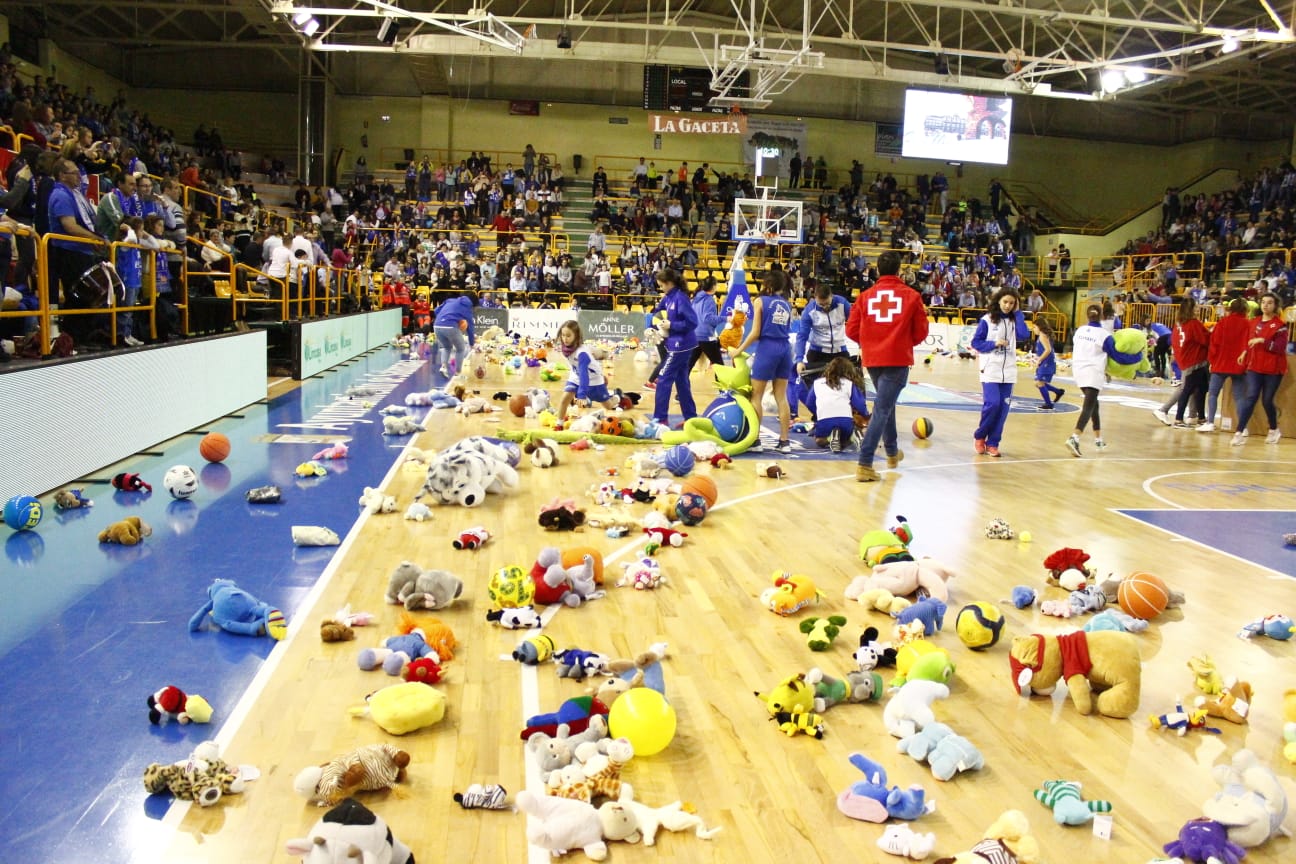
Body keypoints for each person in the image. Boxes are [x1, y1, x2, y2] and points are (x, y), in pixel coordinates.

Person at [844, 250, 929, 482]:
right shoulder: (911, 296)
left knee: (885, 403)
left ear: (877, 270)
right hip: (898, 358)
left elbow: (851, 330)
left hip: (873, 359)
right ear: (899, 269)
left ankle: (891, 453)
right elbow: (922, 331)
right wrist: (901, 342)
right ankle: (864, 463)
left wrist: (870, 342)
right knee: (882, 408)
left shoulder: (865, 296)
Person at [1065, 304, 1144, 457]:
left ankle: (1098, 439)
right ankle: (1074, 437)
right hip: (1093, 372)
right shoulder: (1104, 334)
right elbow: (1118, 356)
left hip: (1078, 371)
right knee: (1088, 406)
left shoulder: (1079, 331)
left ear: (1087, 315)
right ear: (1101, 316)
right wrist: (1138, 357)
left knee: (1094, 405)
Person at [734, 269, 796, 453]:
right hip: (785, 349)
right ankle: (785, 442)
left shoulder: (760, 301)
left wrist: (738, 350)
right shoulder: (786, 304)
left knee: (756, 396)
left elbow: (755, 332)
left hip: (768, 348)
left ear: (767, 285)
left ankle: (755, 440)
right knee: (781, 397)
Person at [970, 288, 1029, 456]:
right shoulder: (987, 320)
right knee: (993, 404)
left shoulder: (1014, 320)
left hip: (1009, 371)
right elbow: (976, 343)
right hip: (990, 369)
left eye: (1011, 303)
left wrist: (1018, 314)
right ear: (998, 301)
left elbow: (1024, 335)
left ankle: (993, 443)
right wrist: (993, 344)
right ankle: (980, 436)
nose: (1008, 306)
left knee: (1003, 409)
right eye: (1005, 302)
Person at [1231, 292, 1288, 446]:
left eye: (1269, 302)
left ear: (1275, 306)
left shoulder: (1280, 325)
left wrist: (1263, 340)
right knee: (1251, 397)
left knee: (1267, 400)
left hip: (1273, 368)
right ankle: (1239, 432)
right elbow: (1248, 341)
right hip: (1255, 366)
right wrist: (1244, 352)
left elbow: (1280, 347)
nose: (1265, 305)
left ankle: (1274, 429)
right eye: (1263, 302)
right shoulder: (1254, 321)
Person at [649, 268, 699, 426]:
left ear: (669, 283)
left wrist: (672, 325)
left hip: (682, 345)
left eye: (662, 285)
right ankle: (691, 419)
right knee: (681, 381)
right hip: (674, 344)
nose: (661, 288)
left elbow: (692, 322)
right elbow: (657, 314)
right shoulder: (668, 298)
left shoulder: (681, 299)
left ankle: (660, 420)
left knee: (663, 379)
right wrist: (652, 327)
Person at [1197, 298, 1250, 433]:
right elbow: (1248, 345)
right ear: (1245, 310)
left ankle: (1210, 422)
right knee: (1239, 397)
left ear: (1231, 309)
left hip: (1220, 364)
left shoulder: (1222, 323)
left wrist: (1212, 361)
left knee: (1213, 394)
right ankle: (1242, 427)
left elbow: (1214, 344)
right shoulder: (1248, 324)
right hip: (1239, 365)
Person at [1154, 298, 1210, 428]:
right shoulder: (1194, 323)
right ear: (1190, 309)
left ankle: (1196, 416)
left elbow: (1174, 341)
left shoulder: (1178, 323)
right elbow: (1206, 339)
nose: (1198, 309)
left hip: (1184, 359)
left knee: (1200, 388)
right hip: (1193, 360)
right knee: (1186, 388)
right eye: (1196, 307)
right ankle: (1171, 414)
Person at [554, 319, 621, 424]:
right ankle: (559, 424)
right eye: (563, 335)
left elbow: (584, 375)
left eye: (568, 336)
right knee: (565, 398)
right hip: (576, 376)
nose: (565, 339)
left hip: (593, 380)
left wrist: (581, 394)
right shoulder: (566, 348)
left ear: (576, 336)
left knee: (608, 406)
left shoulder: (582, 354)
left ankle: (617, 397)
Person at [794, 282, 853, 391]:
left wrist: (861, 347)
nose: (825, 307)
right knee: (817, 392)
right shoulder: (809, 311)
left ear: (832, 296)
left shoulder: (843, 304)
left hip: (840, 352)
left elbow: (856, 324)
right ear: (815, 298)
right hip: (817, 354)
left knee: (846, 389)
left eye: (827, 304)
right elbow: (802, 336)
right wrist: (799, 360)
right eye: (821, 305)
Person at [804, 356, 869, 452]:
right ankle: (853, 434)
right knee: (845, 439)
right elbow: (860, 404)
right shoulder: (849, 383)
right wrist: (865, 415)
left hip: (825, 421)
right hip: (845, 421)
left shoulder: (817, 383)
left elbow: (809, 403)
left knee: (819, 441)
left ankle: (831, 437)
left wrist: (819, 413)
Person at [433, 291, 476, 376]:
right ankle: (458, 372)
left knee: (447, 347)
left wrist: (443, 317)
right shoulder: (467, 306)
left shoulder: (449, 300)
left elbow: (436, 310)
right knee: (460, 349)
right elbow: (470, 326)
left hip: (437, 325)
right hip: (450, 326)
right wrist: (471, 343)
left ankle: (443, 367)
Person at [688, 276, 724, 375]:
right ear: (713, 286)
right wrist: (726, 318)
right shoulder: (709, 300)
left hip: (694, 336)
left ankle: (682, 390)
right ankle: (723, 390)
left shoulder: (695, 299)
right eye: (716, 284)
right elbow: (708, 318)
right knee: (719, 366)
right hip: (706, 337)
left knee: (688, 366)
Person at [1032, 318, 1064, 410]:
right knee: (1037, 383)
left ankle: (1049, 404)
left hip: (1047, 362)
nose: (1033, 329)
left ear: (1040, 327)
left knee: (1039, 383)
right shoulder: (1043, 335)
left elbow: (1048, 350)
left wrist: (1039, 359)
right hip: (1045, 361)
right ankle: (1058, 392)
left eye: (1034, 327)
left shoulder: (1043, 336)